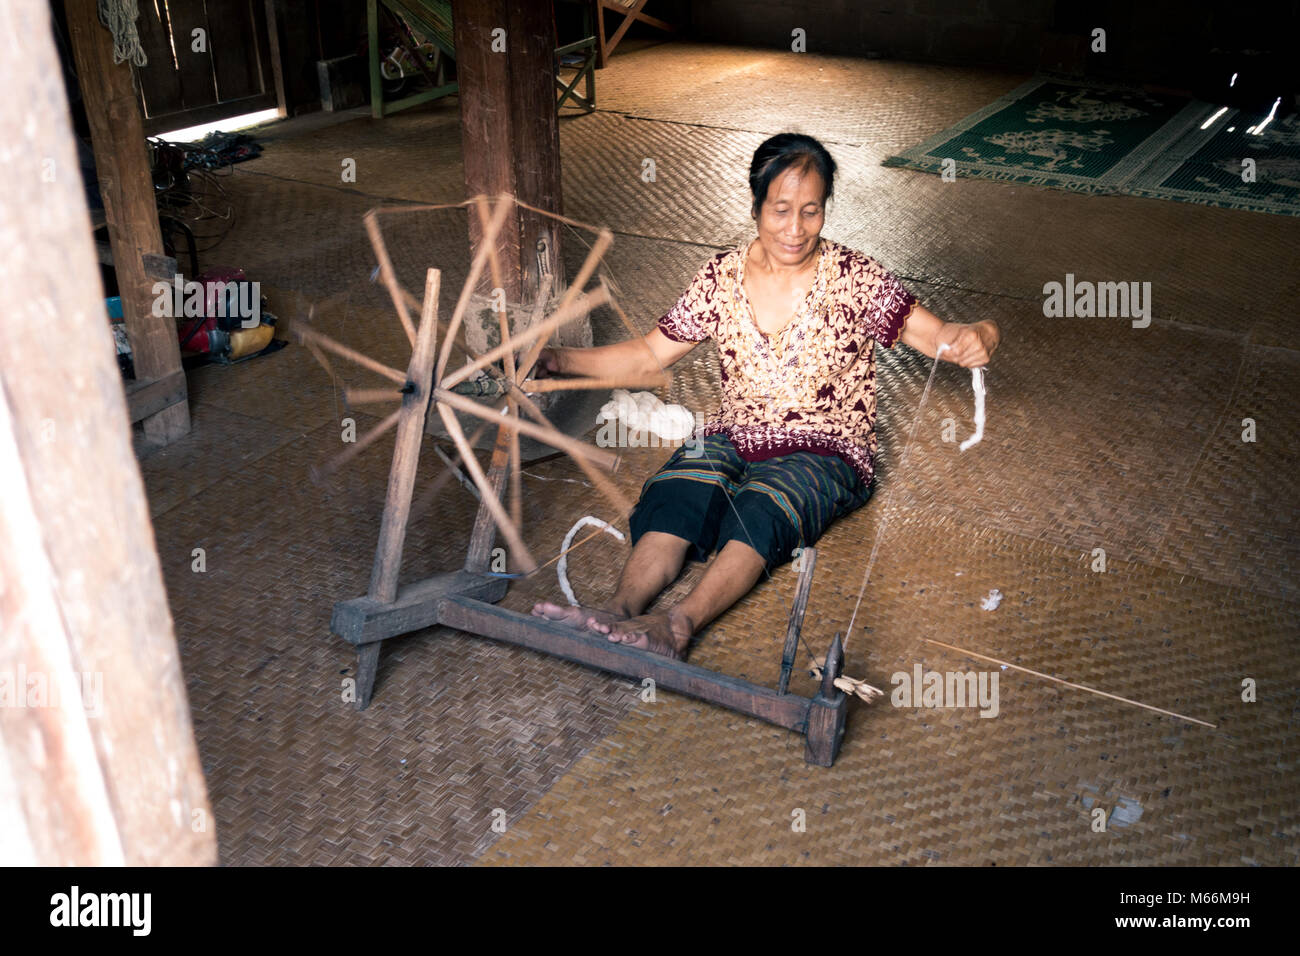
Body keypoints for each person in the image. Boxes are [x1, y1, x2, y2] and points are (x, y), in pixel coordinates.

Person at [531, 133, 1000, 659]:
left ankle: (679, 624)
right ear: (755, 206)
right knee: (683, 485)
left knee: (765, 505)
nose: (795, 230)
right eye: (780, 210)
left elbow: (939, 336)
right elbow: (648, 356)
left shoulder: (854, 278)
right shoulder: (720, 277)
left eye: (811, 211)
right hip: (736, 430)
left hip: (828, 445)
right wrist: (561, 362)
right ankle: (617, 609)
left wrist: (980, 332)